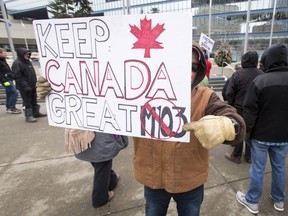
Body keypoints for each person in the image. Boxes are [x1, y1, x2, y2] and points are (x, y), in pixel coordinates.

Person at [133, 42, 245, 216]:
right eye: (178, 64)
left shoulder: (206, 97)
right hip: (152, 178)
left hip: (190, 181)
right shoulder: (136, 93)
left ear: (198, 70)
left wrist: (228, 125)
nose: (185, 72)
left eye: (192, 66)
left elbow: (230, 116)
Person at [236, 44, 288, 214]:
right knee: (279, 167)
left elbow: (249, 111)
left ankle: (252, 201)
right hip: (283, 136)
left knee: (258, 169)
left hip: (261, 135)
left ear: (268, 59)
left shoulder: (260, 81)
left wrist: (247, 133)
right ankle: (279, 200)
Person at [65, 129, 129, 208]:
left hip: (83, 135)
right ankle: (100, 197)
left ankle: (112, 180)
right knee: (102, 162)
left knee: (99, 162)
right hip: (98, 136)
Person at [224, 51, 263, 164]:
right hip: (255, 109)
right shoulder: (262, 74)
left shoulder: (238, 74)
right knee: (251, 132)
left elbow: (229, 93)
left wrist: (231, 106)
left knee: (239, 131)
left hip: (239, 108)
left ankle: (236, 155)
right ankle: (249, 156)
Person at [11, 48, 47, 123]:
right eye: (26, 54)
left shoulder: (28, 62)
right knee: (27, 101)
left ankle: (35, 113)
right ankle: (29, 116)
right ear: (21, 54)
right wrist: (25, 86)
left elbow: (32, 74)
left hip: (32, 85)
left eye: (28, 54)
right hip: (24, 87)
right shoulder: (17, 63)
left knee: (34, 100)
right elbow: (17, 76)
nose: (28, 55)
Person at [0, 48, 21, 114]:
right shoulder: (1, 62)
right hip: (6, 80)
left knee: (9, 93)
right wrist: (4, 81)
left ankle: (9, 107)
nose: (6, 54)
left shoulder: (3, 60)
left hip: (8, 79)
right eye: (4, 53)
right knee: (14, 92)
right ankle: (12, 107)